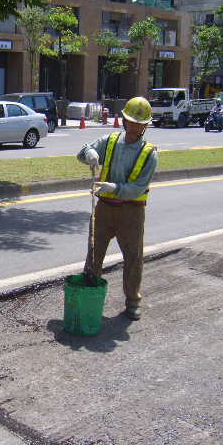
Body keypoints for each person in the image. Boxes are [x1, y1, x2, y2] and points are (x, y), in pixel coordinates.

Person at [77, 97, 159, 321]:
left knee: (133, 257)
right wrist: (89, 154)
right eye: (131, 122)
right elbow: (82, 153)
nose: (134, 127)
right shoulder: (110, 140)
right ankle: (89, 296)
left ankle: (133, 301)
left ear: (146, 126)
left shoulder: (150, 153)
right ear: (123, 120)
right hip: (104, 209)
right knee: (94, 254)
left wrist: (114, 188)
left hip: (131, 213)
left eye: (139, 124)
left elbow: (138, 188)